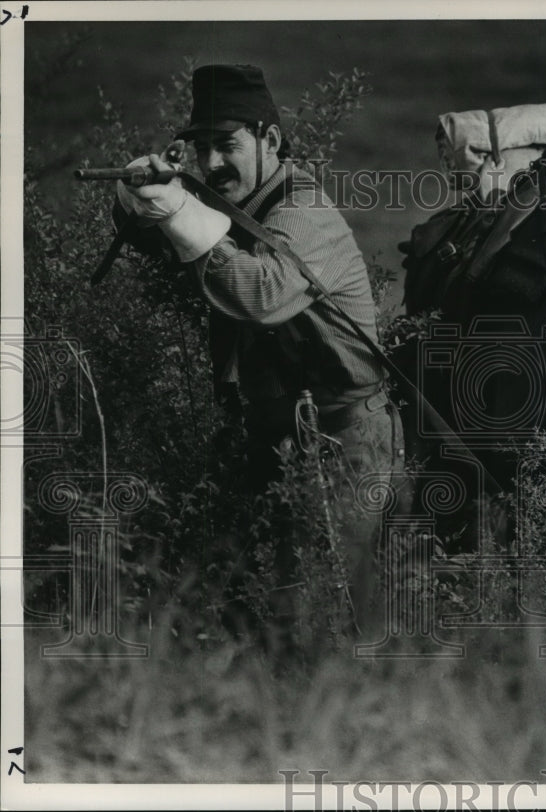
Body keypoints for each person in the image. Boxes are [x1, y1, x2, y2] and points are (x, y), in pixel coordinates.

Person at [115, 63, 404, 640]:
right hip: (276, 437)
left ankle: (354, 713)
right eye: (200, 150)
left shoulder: (302, 212)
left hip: (342, 441)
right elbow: (157, 247)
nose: (212, 164)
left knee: (325, 606)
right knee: (253, 602)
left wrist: (180, 212)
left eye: (227, 145)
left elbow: (258, 292)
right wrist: (135, 197)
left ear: (270, 140)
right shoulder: (236, 203)